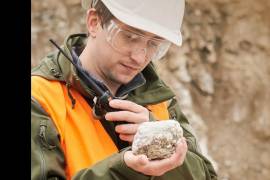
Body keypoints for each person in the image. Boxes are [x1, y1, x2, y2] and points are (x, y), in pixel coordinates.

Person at [31, 0, 218, 179]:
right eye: (130, 37)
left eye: (154, 44)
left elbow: (205, 176)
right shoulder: (40, 99)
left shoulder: (159, 101)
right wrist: (125, 170)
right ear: (94, 22)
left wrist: (162, 144)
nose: (139, 57)